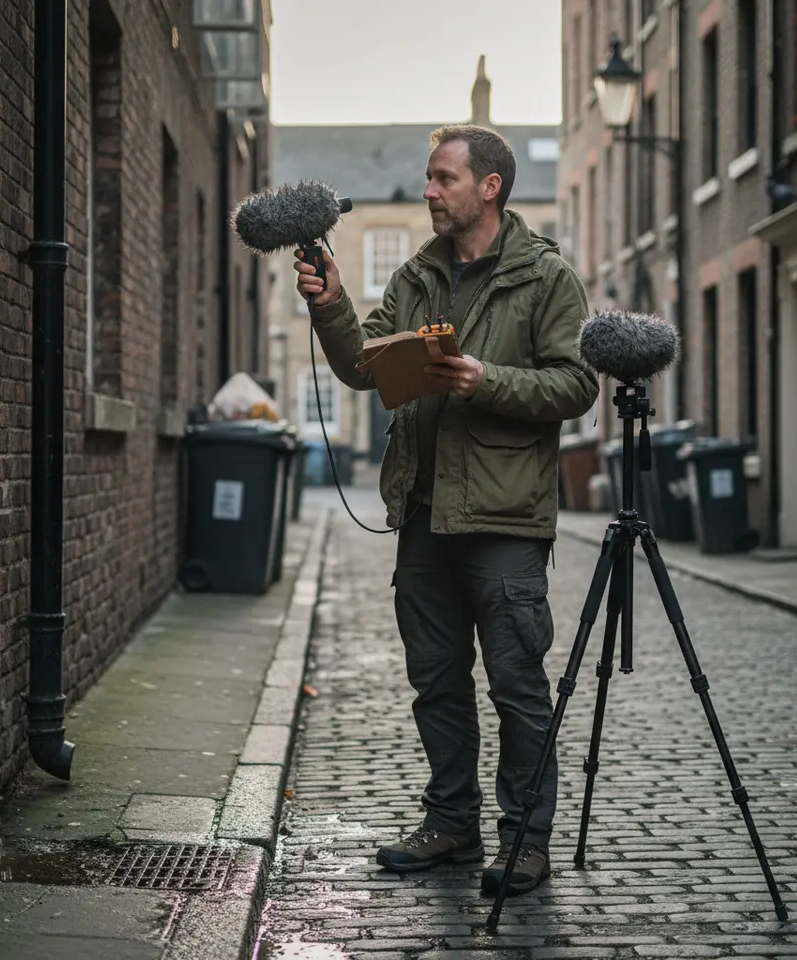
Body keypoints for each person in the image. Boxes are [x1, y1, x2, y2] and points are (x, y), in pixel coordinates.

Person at [294, 124, 599, 895]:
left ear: (488, 187)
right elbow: (365, 366)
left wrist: (484, 380)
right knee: (436, 681)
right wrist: (330, 301)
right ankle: (452, 824)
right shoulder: (417, 276)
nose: (427, 191)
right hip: (423, 516)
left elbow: (575, 385)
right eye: (428, 179)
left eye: (441, 179)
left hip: (504, 524)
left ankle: (525, 842)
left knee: (516, 687)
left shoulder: (545, 278)